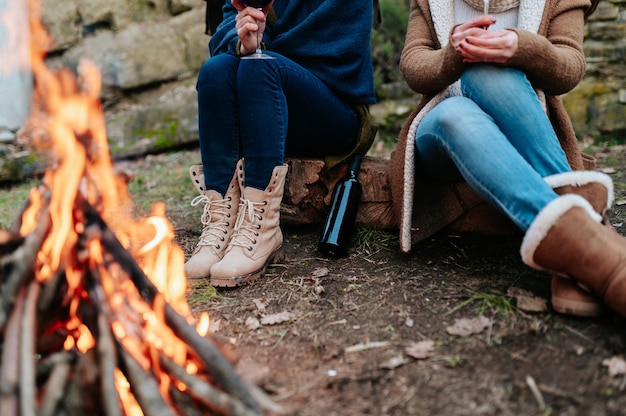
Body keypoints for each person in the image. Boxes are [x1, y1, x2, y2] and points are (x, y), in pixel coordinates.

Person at [388, 0, 626, 319]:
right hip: (442, 131)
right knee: (456, 113)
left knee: (488, 72)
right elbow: (413, 65)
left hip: (520, 125)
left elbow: (571, 66)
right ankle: (606, 257)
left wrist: (523, 48)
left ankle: (580, 256)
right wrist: (451, 54)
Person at [184, 0, 378, 287]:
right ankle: (220, 223)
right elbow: (226, 26)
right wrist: (246, 41)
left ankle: (262, 229)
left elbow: (336, 49)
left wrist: (264, 45)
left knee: (260, 67)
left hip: (334, 112)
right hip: (267, 107)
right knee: (215, 69)